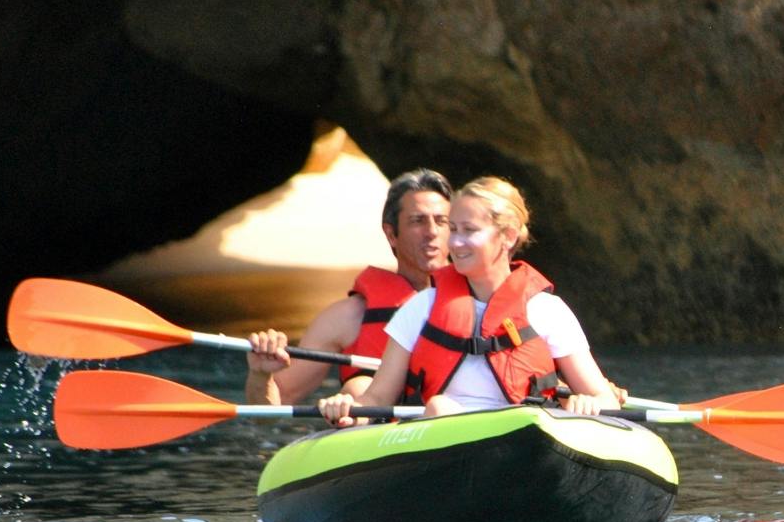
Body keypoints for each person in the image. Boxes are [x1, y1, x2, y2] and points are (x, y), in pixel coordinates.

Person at [317, 176, 622, 425]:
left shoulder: (547, 311)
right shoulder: (421, 308)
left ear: (508, 236)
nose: (455, 242)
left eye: (469, 230)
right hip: (441, 435)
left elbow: (603, 397)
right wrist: (349, 409)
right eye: (453, 229)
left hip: (524, 436)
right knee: (439, 407)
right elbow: (377, 398)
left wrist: (590, 403)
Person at [242, 168, 453, 405]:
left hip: (454, 414)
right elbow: (273, 408)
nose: (432, 232)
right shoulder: (346, 317)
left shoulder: (480, 301)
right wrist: (261, 375)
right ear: (391, 234)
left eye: (442, 221)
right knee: (357, 389)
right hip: (382, 421)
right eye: (417, 221)